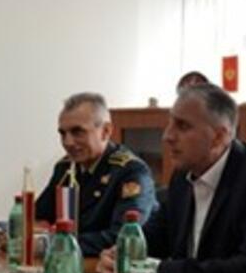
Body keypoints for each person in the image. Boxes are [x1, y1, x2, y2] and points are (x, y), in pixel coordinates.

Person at [98, 84, 246, 273]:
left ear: (218, 137)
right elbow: (158, 235)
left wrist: (152, 271)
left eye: (183, 126)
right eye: (170, 123)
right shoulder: (184, 175)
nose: (167, 136)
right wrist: (122, 254)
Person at [34, 92, 157, 256]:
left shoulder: (130, 172)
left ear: (105, 131)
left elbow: (122, 237)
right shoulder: (65, 168)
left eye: (78, 132)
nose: (68, 142)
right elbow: (39, 216)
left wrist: (49, 244)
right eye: (63, 133)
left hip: (117, 269)